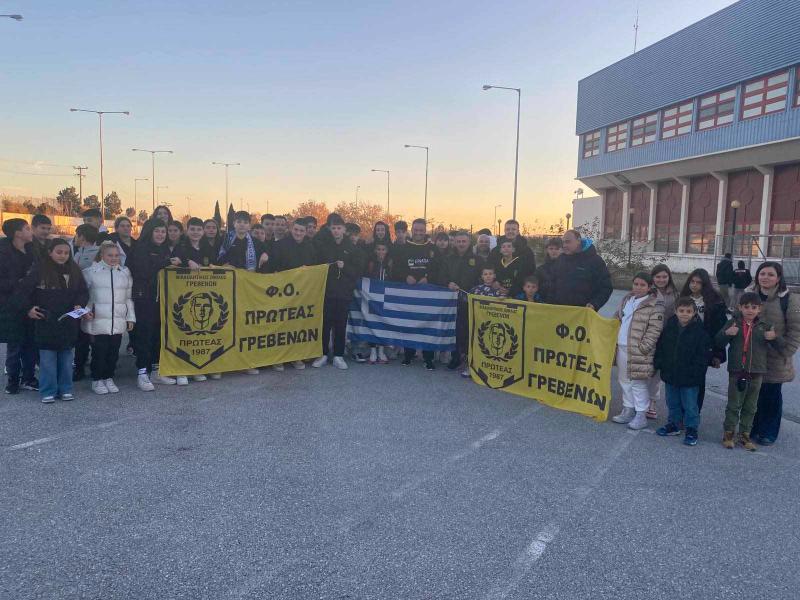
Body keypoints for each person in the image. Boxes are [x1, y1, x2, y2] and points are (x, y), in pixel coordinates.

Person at [16, 239, 88, 403]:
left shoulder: (74, 270)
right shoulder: (39, 270)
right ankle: (48, 390)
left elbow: (83, 291)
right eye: (59, 252)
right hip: (45, 320)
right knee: (47, 359)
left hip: (67, 320)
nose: (63, 256)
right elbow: (22, 291)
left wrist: (80, 304)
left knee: (66, 358)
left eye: (66, 252)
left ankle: (66, 389)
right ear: (50, 252)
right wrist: (28, 309)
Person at [715, 292, 781, 451]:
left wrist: (774, 337)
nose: (750, 310)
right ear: (740, 307)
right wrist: (726, 334)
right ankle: (729, 433)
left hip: (757, 372)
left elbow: (780, 346)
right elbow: (717, 341)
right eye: (746, 307)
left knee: (751, 406)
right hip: (737, 371)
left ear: (760, 309)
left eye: (754, 307)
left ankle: (745, 435)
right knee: (734, 404)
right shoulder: (733, 323)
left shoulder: (765, 326)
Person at [749, 262, 800, 445]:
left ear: (778, 278)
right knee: (753, 394)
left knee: (771, 395)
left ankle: (769, 432)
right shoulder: (749, 295)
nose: (765, 277)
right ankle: (752, 428)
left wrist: (785, 351)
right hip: (752, 355)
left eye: (771, 274)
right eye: (762, 273)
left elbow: (795, 331)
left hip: (776, 356)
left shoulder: (790, 299)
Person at [130, 218, 182, 391]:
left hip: (161, 298)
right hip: (144, 297)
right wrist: (167, 263)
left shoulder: (164, 249)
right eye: (157, 231)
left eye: (163, 231)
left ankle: (156, 370)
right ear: (150, 231)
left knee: (158, 335)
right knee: (144, 334)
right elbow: (144, 270)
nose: (161, 234)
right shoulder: (140, 248)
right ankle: (142, 373)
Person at [653, 297, 711, 446]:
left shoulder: (700, 332)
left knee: (690, 405)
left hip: (690, 377)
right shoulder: (669, 328)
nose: (685, 314)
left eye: (688, 311)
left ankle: (691, 429)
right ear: (675, 311)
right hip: (671, 373)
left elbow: (702, 356)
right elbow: (661, 347)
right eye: (681, 311)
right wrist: (660, 364)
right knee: (672, 402)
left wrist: (696, 373)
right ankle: (674, 424)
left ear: (694, 313)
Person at [611, 272, 664, 430]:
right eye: (636, 284)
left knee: (637, 382)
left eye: (642, 285)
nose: (638, 288)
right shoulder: (627, 300)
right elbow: (617, 318)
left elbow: (655, 329)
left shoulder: (655, 305)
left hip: (639, 350)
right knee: (624, 380)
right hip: (621, 346)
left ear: (649, 287)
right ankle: (628, 409)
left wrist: (644, 347)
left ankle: (641, 414)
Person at [82, 241, 136, 395]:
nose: (113, 258)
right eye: (110, 255)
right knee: (99, 351)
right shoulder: (90, 272)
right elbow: (83, 297)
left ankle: (108, 377)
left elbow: (128, 298)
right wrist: (86, 312)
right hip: (97, 319)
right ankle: (97, 379)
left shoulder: (124, 273)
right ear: (102, 255)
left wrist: (130, 318)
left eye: (116, 255)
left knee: (113, 351)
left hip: (117, 320)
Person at [312, 215, 363, 370]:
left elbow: (357, 271)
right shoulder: (325, 246)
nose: (336, 231)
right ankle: (323, 354)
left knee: (341, 324)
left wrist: (344, 267)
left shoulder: (352, 248)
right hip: (327, 291)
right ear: (330, 229)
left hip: (343, 292)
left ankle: (339, 355)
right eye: (333, 228)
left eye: (339, 228)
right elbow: (316, 266)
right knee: (325, 324)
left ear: (344, 230)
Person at [265, 219, 316, 372]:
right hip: (282, 292)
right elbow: (273, 268)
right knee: (281, 324)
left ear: (305, 232)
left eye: (302, 231)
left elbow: (314, 269)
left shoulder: (310, 247)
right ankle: (278, 358)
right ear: (291, 229)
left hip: (301, 293)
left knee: (297, 325)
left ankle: (295, 356)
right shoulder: (280, 245)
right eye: (296, 230)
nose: (298, 233)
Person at [392, 218, 438, 370]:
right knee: (409, 323)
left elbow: (439, 269)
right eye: (416, 230)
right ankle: (408, 354)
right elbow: (396, 268)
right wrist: (405, 276)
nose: (418, 233)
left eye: (421, 230)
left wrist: (428, 278)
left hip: (427, 293)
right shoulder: (403, 247)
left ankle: (428, 357)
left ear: (426, 231)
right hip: (409, 292)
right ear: (412, 230)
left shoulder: (433, 248)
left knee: (428, 324)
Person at [680, 268, 727, 412]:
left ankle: (694, 415)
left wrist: (717, 354)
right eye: (692, 281)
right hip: (683, 346)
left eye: (698, 282)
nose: (694, 285)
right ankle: (681, 415)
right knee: (681, 381)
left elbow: (719, 329)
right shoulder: (683, 298)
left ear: (705, 284)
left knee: (697, 383)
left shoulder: (715, 302)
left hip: (702, 348)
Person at [0, 218, 37, 394]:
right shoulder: (3, 253)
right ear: (17, 233)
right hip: (12, 305)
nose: (31, 232)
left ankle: (29, 378)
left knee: (30, 344)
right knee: (15, 346)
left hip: (32, 303)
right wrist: (19, 282)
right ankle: (13, 380)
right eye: (27, 228)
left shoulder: (32, 250)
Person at [444, 231, 483, 370]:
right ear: (454, 242)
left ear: (469, 242)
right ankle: (455, 357)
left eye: (464, 241)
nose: (461, 244)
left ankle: (468, 357)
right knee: (454, 329)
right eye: (458, 241)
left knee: (468, 329)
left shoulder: (477, 260)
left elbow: (482, 278)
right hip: (452, 300)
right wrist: (447, 283)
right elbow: (441, 276)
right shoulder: (448, 258)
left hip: (470, 300)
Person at [551, 229, 612, 311]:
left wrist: (594, 304)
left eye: (568, 242)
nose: (564, 245)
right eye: (563, 242)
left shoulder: (595, 261)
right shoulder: (561, 259)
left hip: (583, 314)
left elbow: (606, 287)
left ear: (578, 240)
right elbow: (552, 282)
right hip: (560, 311)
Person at [646, 263, 678, 419]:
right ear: (653, 278)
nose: (661, 279)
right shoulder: (646, 291)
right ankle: (640, 401)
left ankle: (652, 402)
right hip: (646, 336)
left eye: (664, 276)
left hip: (664, 338)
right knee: (644, 370)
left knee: (656, 373)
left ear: (669, 277)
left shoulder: (675, 295)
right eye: (658, 276)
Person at [364, 241, 392, 364]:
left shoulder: (390, 264)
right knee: (372, 323)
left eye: (383, 249)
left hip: (385, 297)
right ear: (375, 251)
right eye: (378, 249)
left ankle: (381, 350)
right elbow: (366, 277)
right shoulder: (371, 263)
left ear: (387, 251)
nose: (381, 252)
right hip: (372, 296)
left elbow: (393, 278)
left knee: (382, 323)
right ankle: (373, 350)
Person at [535, 237, 561, 302]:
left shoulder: (567, 268)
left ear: (561, 250)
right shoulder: (540, 270)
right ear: (547, 250)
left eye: (557, 249)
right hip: (544, 304)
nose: (554, 251)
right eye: (551, 248)